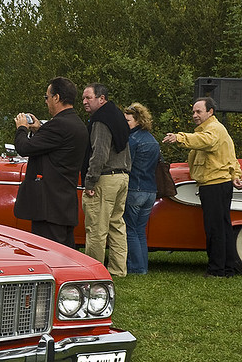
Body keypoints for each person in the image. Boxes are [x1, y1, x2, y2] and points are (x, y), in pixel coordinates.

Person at [163, 97, 242, 277]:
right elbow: (230, 156)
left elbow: (204, 141)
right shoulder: (218, 129)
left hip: (214, 184)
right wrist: (235, 175)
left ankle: (216, 270)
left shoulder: (212, 130)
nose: (195, 115)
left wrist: (179, 137)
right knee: (223, 227)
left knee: (215, 228)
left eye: (199, 111)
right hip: (220, 183)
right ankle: (227, 268)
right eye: (193, 112)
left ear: (210, 112)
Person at [13, 77, 88, 248]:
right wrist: (40, 130)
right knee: (64, 253)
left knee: (48, 253)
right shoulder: (77, 124)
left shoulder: (58, 125)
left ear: (56, 97)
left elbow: (24, 147)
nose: (46, 102)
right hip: (64, 201)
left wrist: (22, 128)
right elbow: (55, 147)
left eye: (47, 97)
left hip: (49, 205)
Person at [81, 83, 132, 277]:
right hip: (122, 176)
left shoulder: (101, 120)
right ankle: (118, 270)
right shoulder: (118, 116)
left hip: (105, 178)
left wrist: (90, 181)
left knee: (96, 228)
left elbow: (99, 154)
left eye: (89, 98)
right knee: (117, 225)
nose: (85, 102)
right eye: (84, 99)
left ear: (101, 98)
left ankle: (93, 273)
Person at [123, 103, 160, 274]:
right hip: (150, 191)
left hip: (134, 189)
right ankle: (142, 266)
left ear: (137, 120)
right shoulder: (153, 141)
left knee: (130, 229)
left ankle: (136, 268)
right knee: (140, 230)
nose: (126, 123)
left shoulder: (132, 140)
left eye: (128, 120)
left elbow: (126, 163)